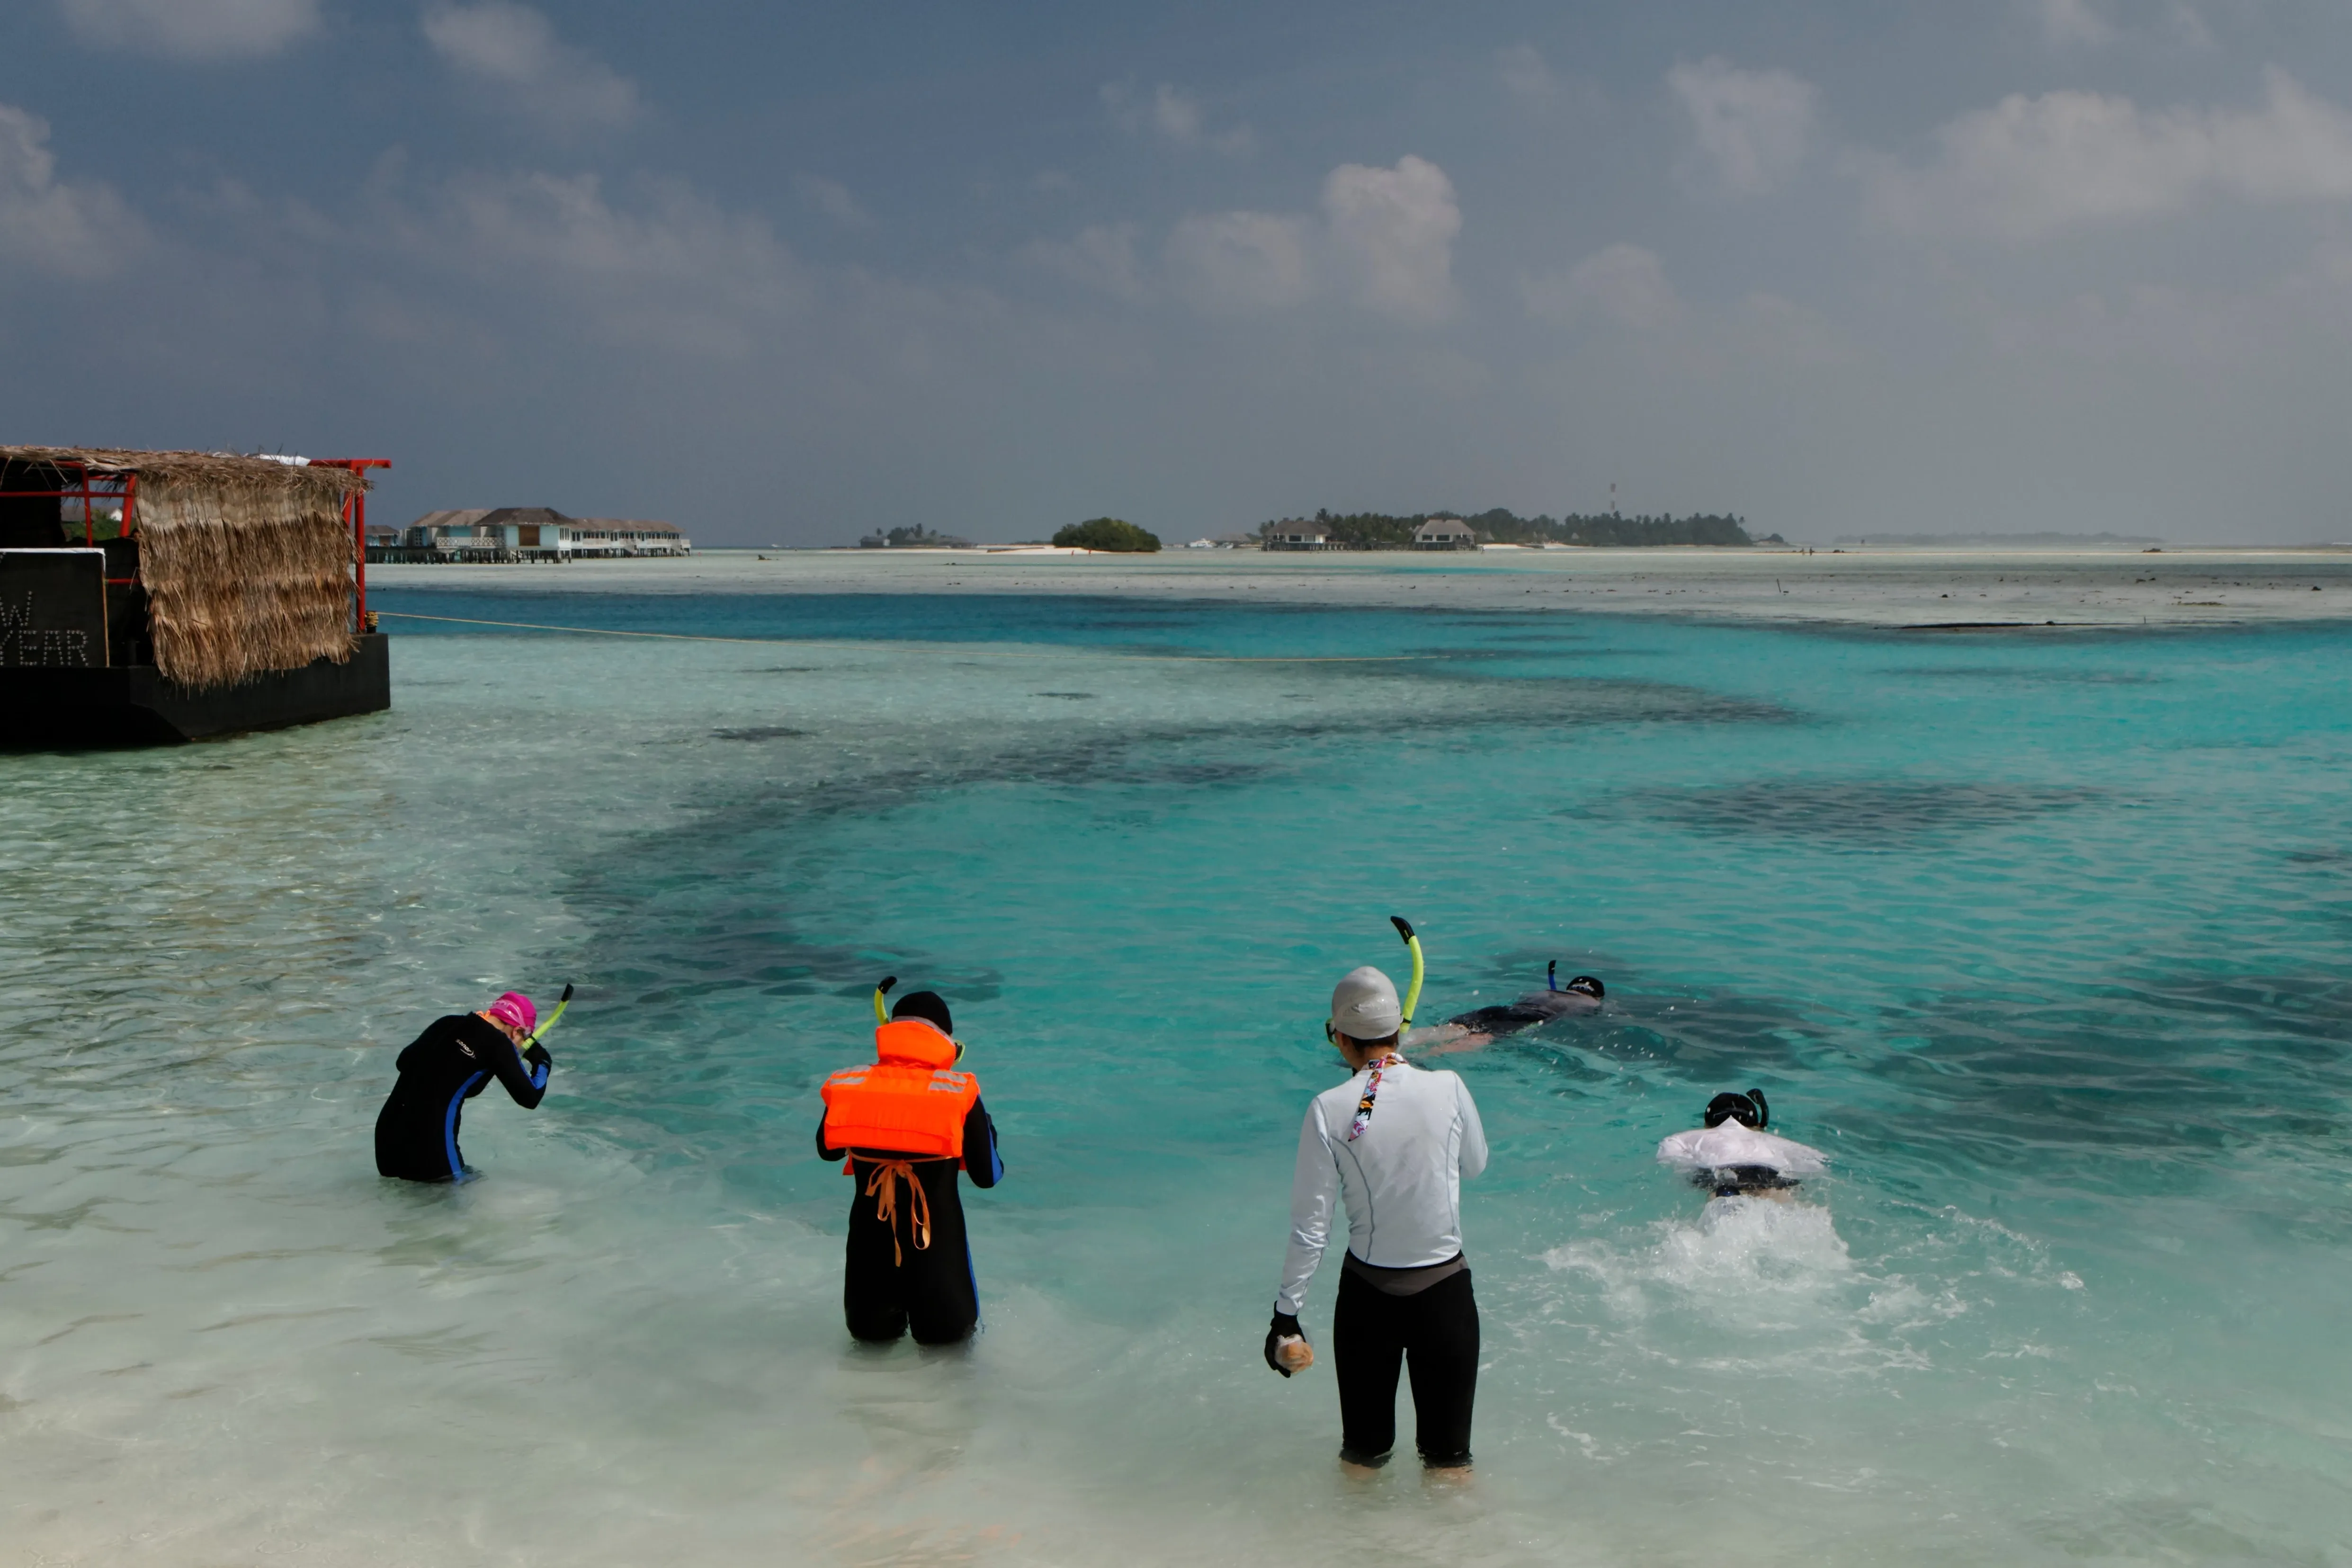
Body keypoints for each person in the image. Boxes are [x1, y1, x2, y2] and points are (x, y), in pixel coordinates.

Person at [1265, 965, 1489, 1477]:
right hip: (1445, 1295)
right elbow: (1474, 1165)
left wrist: (1286, 1314)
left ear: (1340, 1037)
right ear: (1398, 1031)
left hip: (1368, 1300)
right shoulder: (1450, 1087)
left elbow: (1311, 1227)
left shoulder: (1328, 1107)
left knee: (1363, 1458)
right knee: (1450, 1461)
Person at [818, 987, 1003, 1346]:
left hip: (868, 1256)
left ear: (889, 1030)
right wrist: (987, 1129)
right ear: (947, 1041)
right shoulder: (959, 1092)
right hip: (938, 1257)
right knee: (951, 1360)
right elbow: (988, 1176)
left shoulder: (847, 1085)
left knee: (867, 1355)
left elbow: (828, 1152)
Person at [374, 991, 553, 1183]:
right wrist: (543, 1061)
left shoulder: (448, 1022)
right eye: (524, 1040)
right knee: (474, 1192)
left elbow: (404, 1062)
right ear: (517, 1031)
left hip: (387, 1139)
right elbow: (531, 1097)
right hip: (432, 1147)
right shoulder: (500, 1044)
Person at [1654, 1089, 1827, 1201]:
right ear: (1757, 1125)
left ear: (1707, 1125)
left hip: (1724, 1177)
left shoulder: (1685, 1138)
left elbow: (1669, 1159)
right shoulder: (1776, 1142)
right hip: (1770, 1175)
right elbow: (1817, 1164)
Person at [1409, 962, 1604, 1056]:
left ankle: (1402, 1044)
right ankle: (1423, 1057)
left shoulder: (1542, 992)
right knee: (1485, 1036)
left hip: (1502, 1009)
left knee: (1457, 1027)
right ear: (1597, 995)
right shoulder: (1593, 1003)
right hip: (1531, 1017)